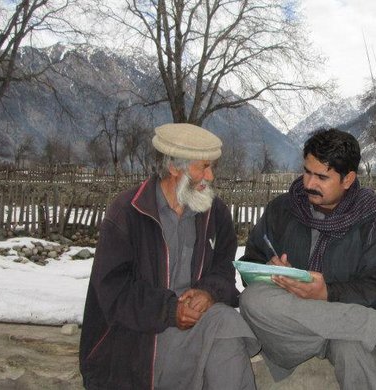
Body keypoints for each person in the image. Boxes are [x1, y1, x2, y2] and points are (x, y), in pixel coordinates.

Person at [238, 128, 376, 389]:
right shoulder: (282, 208)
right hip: (291, 319)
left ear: (348, 179)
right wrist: (269, 271)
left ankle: (362, 326)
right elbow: (249, 264)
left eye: (322, 177)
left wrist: (328, 293)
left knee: (352, 349)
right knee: (252, 299)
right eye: (307, 171)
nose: (309, 184)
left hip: (342, 318)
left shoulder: (373, 220)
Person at [79, 123, 259, 389]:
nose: (210, 176)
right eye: (203, 167)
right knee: (223, 335)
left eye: (212, 167)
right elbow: (113, 292)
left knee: (225, 324)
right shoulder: (127, 213)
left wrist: (208, 293)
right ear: (175, 168)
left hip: (198, 323)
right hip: (140, 335)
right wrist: (170, 310)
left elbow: (223, 270)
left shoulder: (215, 213)